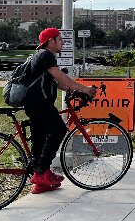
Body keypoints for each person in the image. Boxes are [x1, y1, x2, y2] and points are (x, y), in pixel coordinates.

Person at [26, 28, 97, 194]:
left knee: (40, 141)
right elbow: (60, 77)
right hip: (39, 103)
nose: (62, 42)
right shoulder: (46, 55)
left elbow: (61, 84)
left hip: (35, 103)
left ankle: (40, 181)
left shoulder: (41, 57)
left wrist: (77, 91)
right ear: (51, 41)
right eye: (60, 39)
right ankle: (41, 173)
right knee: (58, 130)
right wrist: (85, 89)